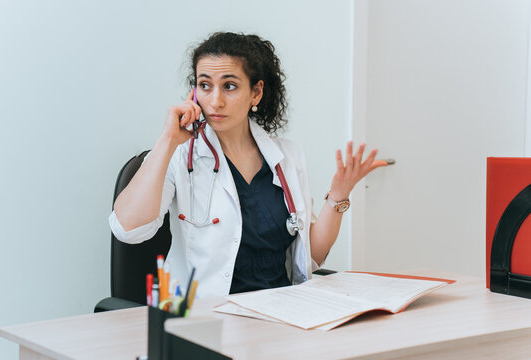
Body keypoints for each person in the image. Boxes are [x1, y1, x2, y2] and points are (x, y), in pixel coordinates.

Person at [109, 32, 387, 298]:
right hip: (207, 322)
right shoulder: (180, 155)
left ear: (256, 93)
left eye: (229, 86)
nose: (215, 101)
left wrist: (339, 195)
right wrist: (167, 140)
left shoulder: (286, 157)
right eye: (205, 85)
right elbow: (128, 230)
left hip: (280, 314)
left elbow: (310, 257)